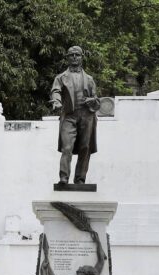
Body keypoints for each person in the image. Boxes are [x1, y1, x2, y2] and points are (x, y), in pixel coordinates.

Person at [50, 46, 100, 185]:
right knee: (67, 147)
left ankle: (80, 179)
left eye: (77, 55)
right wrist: (56, 102)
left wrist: (92, 100)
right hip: (69, 116)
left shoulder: (89, 79)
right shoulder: (61, 77)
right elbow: (56, 91)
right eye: (71, 55)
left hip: (86, 116)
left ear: (81, 57)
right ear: (67, 57)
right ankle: (63, 178)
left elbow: (96, 100)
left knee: (85, 148)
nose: (74, 57)